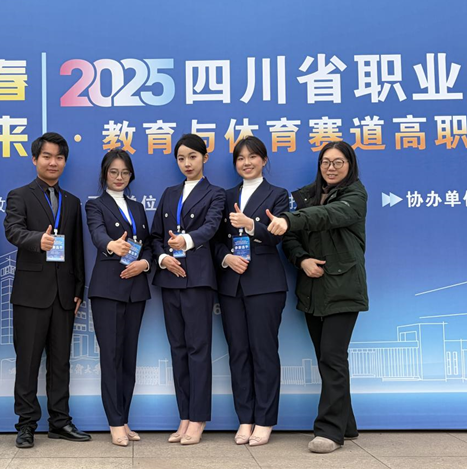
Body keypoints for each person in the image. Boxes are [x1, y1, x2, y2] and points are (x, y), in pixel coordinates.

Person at [266, 140, 368, 453]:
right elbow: (290, 238)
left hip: (344, 288)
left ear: (350, 165)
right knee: (328, 359)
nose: (331, 168)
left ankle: (329, 431)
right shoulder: (303, 195)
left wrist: (290, 219)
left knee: (333, 357)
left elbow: (327, 215)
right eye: (326, 162)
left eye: (338, 162)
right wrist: (301, 260)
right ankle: (346, 424)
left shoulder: (355, 195)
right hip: (312, 289)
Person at [4, 132, 90, 448]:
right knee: (27, 362)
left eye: (59, 157)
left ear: (65, 162)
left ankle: (60, 422)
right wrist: (36, 240)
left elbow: (77, 248)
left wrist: (78, 288)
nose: (53, 162)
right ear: (35, 159)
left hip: (64, 295)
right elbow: (12, 230)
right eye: (47, 156)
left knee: (60, 362)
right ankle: (26, 425)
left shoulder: (72, 202)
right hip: (30, 294)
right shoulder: (19, 195)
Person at [213, 136, 290, 446]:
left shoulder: (278, 195)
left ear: (264, 160)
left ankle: (265, 420)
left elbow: (276, 236)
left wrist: (250, 225)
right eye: (240, 158)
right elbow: (215, 240)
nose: (246, 162)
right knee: (238, 354)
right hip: (232, 285)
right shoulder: (225, 196)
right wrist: (226, 258)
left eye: (252, 157)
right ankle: (244, 418)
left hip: (265, 285)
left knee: (264, 352)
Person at [151, 133, 225, 445]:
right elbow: (155, 235)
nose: (187, 163)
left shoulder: (215, 193)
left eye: (192, 157)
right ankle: (184, 415)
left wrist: (187, 240)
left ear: (204, 158)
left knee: (198, 349)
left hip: (198, 278)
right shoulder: (169, 193)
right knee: (178, 349)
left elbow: (211, 227)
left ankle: (198, 418)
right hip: (170, 278)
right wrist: (163, 258)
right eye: (181, 158)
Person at [85, 149, 153, 447]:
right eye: (114, 172)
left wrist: (144, 263)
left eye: (125, 172)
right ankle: (114, 423)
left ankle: (124, 419)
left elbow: (148, 244)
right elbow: (97, 234)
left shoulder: (137, 207)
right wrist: (112, 245)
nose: (119, 177)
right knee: (111, 358)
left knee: (128, 358)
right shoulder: (95, 205)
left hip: (135, 287)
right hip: (108, 289)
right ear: (104, 174)